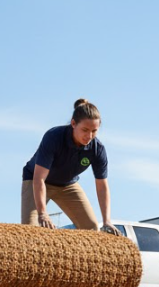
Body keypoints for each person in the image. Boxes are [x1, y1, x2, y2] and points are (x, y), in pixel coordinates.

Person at [21, 99, 118, 234]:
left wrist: (107, 221)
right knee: (30, 230)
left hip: (67, 185)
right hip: (37, 181)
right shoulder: (54, 137)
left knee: (91, 228)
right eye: (85, 130)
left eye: (94, 131)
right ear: (73, 123)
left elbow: (102, 186)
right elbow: (39, 178)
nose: (89, 136)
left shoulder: (97, 149)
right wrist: (42, 213)